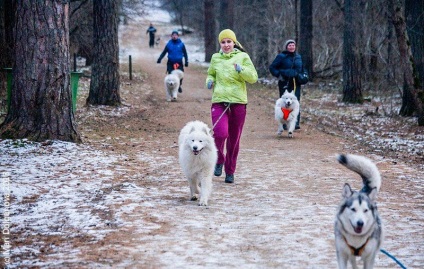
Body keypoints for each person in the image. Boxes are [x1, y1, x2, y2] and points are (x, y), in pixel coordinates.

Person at [205, 29, 258, 184]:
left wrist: (241, 70)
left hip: (238, 103)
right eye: (223, 42)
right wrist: (209, 81)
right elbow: (211, 74)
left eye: (229, 41)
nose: (226, 45)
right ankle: (219, 159)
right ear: (220, 44)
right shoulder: (215, 58)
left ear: (234, 43)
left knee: (234, 139)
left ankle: (230, 171)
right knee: (220, 134)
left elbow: (253, 78)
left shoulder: (243, 56)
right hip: (219, 101)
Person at [269, 39, 304, 129]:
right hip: (285, 82)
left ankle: (295, 122)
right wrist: (279, 75)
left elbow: (302, 68)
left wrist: (304, 76)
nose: (292, 47)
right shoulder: (281, 56)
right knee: (285, 102)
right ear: (286, 47)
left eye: (293, 45)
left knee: (295, 101)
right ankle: (284, 122)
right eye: (290, 45)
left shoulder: (298, 57)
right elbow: (272, 67)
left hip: (296, 82)